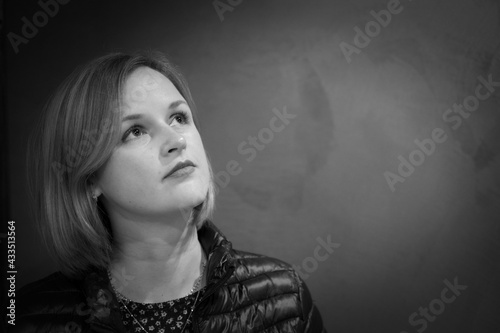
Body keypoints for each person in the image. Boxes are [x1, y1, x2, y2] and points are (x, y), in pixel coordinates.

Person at [12, 51, 326, 333]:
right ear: (90, 178)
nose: (176, 140)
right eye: (134, 131)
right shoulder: (28, 317)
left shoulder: (284, 297)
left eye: (178, 117)